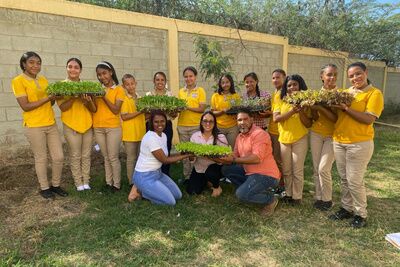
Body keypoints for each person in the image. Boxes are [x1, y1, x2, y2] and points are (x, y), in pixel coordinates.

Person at [329, 62, 384, 228]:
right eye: (351, 76)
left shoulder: (374, 93)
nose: (355, 78)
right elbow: (337, 116)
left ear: (366, 72)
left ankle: (361, 213)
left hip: (359, 143)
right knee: (344, 178)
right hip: (339, 140)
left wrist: (346, 108)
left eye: (358, 74)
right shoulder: (346, 93)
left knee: (354, 180)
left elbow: (368, 119)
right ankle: (347, 208)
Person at [11, 51, 67, 199]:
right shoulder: (18, 81)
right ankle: (44, 187)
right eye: (31, 62)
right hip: (34, 125)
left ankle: (55, 185)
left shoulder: (43, 80)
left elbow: (51, 102)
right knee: (41, 157)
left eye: (38, 63)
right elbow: (26, 106)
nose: (35, 66)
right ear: (24, 64)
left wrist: (55, 97)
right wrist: (48, 98)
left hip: (50, 123)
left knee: (59, 157)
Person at [219, 109, 281, 216]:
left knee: (241, 194)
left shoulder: (259, 134)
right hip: (250, 173)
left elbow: (256, 158)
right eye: (239, 120)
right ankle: (252, 189)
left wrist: (233, 160)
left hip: (267, 176)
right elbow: (235, 155)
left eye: (245, 119)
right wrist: (218, 156)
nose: (242, 122)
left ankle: (271, 199)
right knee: (226, 169)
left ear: (252, 119)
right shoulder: (239, 136)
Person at [129, 110, 192, 205]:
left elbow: (166, 156)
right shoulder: (150, 138)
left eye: (162, 121)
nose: (160, 124)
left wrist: (183, 153)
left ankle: (146, 190)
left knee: (177, 195)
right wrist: (186, 155)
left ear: (166, 121)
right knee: (170, 202)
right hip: (144, 176)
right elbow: (164, 160)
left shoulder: (163, 135)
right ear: (151, 123)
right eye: (156, 122)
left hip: (158, 173)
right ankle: (141, 190)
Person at [57, 58, 96, 191]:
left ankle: (86, 180)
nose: (73, 69)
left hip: (87, 125)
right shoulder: (61, 86)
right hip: (71, 126)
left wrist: (87, 101)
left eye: (76, 67)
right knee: (75, 155)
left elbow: (93, 108)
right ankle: (78, 182)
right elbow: (63, 108)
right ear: (66, 68)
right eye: (70, 67)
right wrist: (74, 97)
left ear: (80, 70)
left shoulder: (87, 86)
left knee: (86, 155)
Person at [273, 74, 312, 205]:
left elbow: (308, 124)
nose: (292, 87)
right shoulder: (280, 99)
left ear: (300, 85)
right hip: (284, 138)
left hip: (300, 138)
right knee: (287, 170)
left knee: (297, 170)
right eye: (289, 85)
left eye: (295, 84)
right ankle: (288, 194)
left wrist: (300, 110)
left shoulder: (306, 100)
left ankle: (297, 197)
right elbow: (276, 118)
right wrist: (292, 111)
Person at [93, 61, 125, 192]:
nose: (102, 77)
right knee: (105, 156)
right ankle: (108, 182)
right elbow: (94, 109)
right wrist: (88, 100)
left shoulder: (119, 89)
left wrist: (103, 96)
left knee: (113, 157)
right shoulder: (96, 89)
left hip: (113, 128)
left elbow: (116, 110)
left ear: (111, 72)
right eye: (99, 75)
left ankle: (116, 184)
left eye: (104, 73)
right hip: (98, 127)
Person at [310, 64, 338, 210]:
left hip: (332, 135)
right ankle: (319, 197)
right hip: (315, 133)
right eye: (329, 74)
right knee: (316, 167)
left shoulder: (339, 95)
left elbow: (335, 118)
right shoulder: (315, 95)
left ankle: (327, 199)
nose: (332, 78)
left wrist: (320, 107)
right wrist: (313, 108)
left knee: (323, 168)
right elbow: (314, 117)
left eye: (334, 75)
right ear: (322, 76)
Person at [186, 111, 228, 197]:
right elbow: (192, 160)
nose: (208, 123)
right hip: (199, 168)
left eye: (211, 121)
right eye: (205, 121)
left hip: (215, 168)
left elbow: (224, 159)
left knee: (211, 173)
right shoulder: (195, 136)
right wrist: (190, 155)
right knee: (192, 191)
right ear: (201, 122)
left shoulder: (220, 137)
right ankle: (207, 182)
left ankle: (216, 186)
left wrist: (209, 155)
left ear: (215, 123)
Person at [177, 66, 207, 179]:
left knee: (195, 152)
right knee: (185, 153)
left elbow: (202, 108)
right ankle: (186, 176)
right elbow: (180, 108)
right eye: (186, 76)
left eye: (191, 76)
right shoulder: (181, 91)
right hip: (182, 126)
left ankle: (197, 176)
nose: (188, 78)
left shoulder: (200, 91)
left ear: (195, 77)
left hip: (196, 126)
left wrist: (187, 107)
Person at [146, 71, 175, 175]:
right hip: (152, 126)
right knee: (153, 149)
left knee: (166, 148)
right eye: (157, 79)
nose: (160, 82)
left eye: (162, 80)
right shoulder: (149, 95)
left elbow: (173, 115)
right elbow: (145, 113)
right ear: (154, 81)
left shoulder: (169, 95)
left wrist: (173, 111)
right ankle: (153, 173)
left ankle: (165, 174)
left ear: (165, 81)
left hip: (166, 125)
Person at [120, 74, 146, 185]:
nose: (130, 87)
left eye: (132, 84)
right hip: (129, 134)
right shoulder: (124, 99)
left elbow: (143, 116)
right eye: (127, 85)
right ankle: (131, 182)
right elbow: (124, 116)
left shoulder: (140, 98)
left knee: (140, 159)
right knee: (131, 159)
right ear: (123, 86)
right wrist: (140, 111)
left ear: (136, 83)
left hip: (141, 132)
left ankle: (139, 180)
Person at [268, 69, 286, 194]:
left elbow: (281, 113)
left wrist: (269, 113)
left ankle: (282, 185)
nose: (275, 80)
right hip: (272, 130)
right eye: (273, 78)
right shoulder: (275, 93)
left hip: (279, 131)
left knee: (279, 159)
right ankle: (276, 180)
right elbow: (274, 111)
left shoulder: (283, 93)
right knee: (274, 157)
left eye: (278, 77)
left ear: (284, 78)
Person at [211, 74, 240, 148]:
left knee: (231, 149)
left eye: (227, 82)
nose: (225, 84)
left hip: (233, 127)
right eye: (222, 83)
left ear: (231, 83)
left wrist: (234, 111)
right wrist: (223, 111)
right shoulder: (215, 96)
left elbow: (239, 111)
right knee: (220, 150)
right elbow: (212, 113)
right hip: (219, 127)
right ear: (220, 84)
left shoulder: (236, 96)